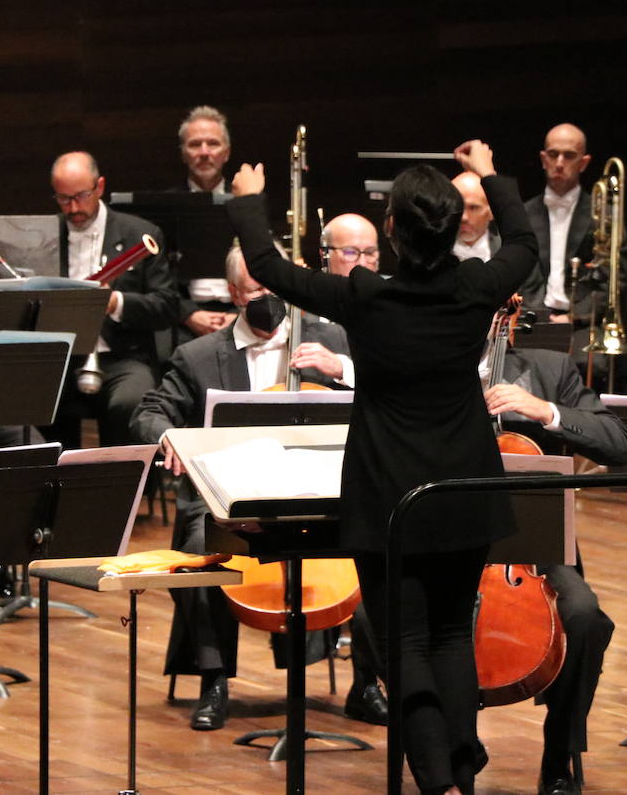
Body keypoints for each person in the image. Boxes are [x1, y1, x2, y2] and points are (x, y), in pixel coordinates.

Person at [226, 139, 537, 795]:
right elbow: (527, 244)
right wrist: (490, 176)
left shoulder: (366, 296)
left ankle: (440, 781)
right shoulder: (478, 287)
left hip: (389, 495)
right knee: (452, 634)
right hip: (464, 488)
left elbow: (265, 265)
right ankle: (457, 768)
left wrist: (248, 200)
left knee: (405, 643)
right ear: (456, 228)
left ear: (390, 231)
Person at [131, 246, 371, 730]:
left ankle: (366, 684)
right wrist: (169, 438)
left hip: (317, 498)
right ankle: (214, 679)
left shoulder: (332, 339)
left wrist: (342, 369)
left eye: (275, 287)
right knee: (200, 548)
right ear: (235, 294)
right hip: (231, 500)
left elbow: (389, 394)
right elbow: (149, 411)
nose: (270, 299)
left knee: (376, 549)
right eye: (257, 290)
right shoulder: (198, 356)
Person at [481, 343, 627, 795]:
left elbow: (618, 442)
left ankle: (559, 753)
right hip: (448, 545)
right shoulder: (427, 359)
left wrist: (546, 411)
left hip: (531, 552)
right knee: (379, 617)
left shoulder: (549, 368)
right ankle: (448, 746)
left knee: (584, 617)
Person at [48, 150, 179, 448]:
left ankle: (124, 489)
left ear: (100, 187)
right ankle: (56, 488)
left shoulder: (141, 234)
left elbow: (166, 305)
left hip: (122, 356)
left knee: (131, 402)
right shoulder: (45, 235)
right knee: (37, 401)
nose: (73, 208)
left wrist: (115, 302)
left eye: (80, 196)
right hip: (62, 358)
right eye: (63, 199)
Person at [523, 123, 626, 363]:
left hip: (581, 320)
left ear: (584, 162)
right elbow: (521, 273)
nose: (559, 162)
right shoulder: (523, 214)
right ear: (543, 158)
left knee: (591, 364)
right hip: (534, 316)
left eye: (569, 156)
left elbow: (613, 278)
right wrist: (540, 315)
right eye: (553, 154)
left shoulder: (605, 215)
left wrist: (573, 316)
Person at [174, 106, 239, 341]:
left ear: (227, 152)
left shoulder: (247, 203)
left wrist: (242, 314)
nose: (204, 152)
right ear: (183, 153)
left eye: (213, 144)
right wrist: (189, 314)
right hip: (185, 319)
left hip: (239, 313)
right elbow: (158, 277)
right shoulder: (168, 205)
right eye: (194, 144)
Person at [452, 171, 545, 307]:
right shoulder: (432, 250)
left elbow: (533, 304)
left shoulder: (516, 253)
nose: (464, 217)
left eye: (473, 207)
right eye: (459, 207)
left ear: (491, 212)